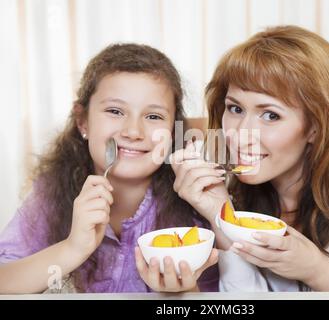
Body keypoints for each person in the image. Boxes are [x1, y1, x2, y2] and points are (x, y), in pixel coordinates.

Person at [171, 25, 329, 291]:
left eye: (271, 115)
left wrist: (317, 270)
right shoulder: (236, 195)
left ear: (316, 126)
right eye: (235, 108)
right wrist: (221, 213)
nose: (239, 135)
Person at [0, 44, 218, 294]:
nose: (133, 132)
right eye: (115, 111)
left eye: (154, 117)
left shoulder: (193, 205)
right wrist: (73, 248)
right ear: (83, 121)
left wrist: (182, 292)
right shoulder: (52, 192)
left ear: (171, 130)